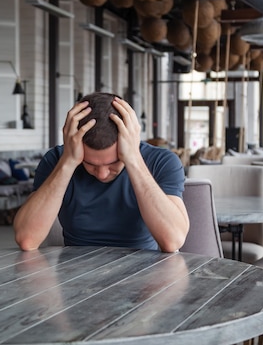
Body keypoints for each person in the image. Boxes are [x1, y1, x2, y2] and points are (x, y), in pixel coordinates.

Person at [14, 92, 189, 253]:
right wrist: (68, 162)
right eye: (90, 164)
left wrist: (133, 160)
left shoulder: (161, 161)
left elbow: (173, 241)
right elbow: (27, 239)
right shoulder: (57, 160)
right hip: (75, 272)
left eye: (113, 163)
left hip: (144, 270)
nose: (102, 174)